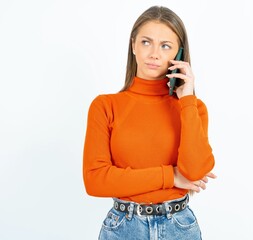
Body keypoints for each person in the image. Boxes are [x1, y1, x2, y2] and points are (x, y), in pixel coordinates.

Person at [83, 5, 216, 240]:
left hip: (179, 227)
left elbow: (194, 171)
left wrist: (187, 99)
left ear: (179, 54)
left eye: (166, 46)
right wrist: (171, 176)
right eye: (146, 42)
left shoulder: (193, 109)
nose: (154, 53)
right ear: (133, 45)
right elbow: (95, 180)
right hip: (123, 228)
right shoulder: (105, 106)